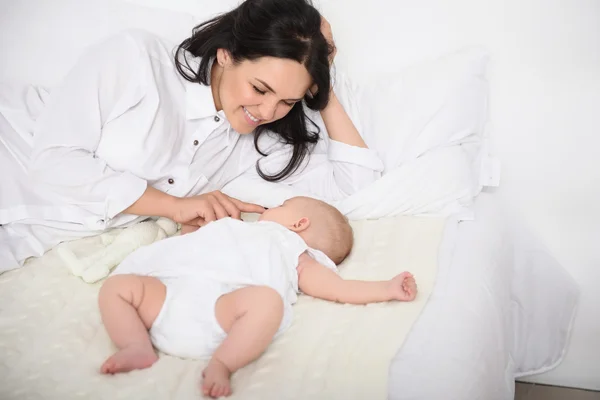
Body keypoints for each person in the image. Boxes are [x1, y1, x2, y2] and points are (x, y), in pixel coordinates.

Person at [0, 0, 383, 274]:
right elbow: (52, 161)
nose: (268, 112)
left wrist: (322, 80)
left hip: (28, 233)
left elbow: (357, 186)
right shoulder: (137, 59)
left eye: (287, 101)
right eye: (260, 88)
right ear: (226, 54)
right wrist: (171, 205)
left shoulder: (253, 143)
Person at [98, 196, 418, 398]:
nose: (268, 208)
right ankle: (136, 345)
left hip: (222, 309)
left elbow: (341, 289)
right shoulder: (237, 230)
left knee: (267, 302)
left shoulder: (294, 251)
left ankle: (222, 362)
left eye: (279, 206)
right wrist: (193, 232)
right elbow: (195, 249)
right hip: (172, 292)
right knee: (117, 287)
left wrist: (385, 288)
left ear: (298, 223)